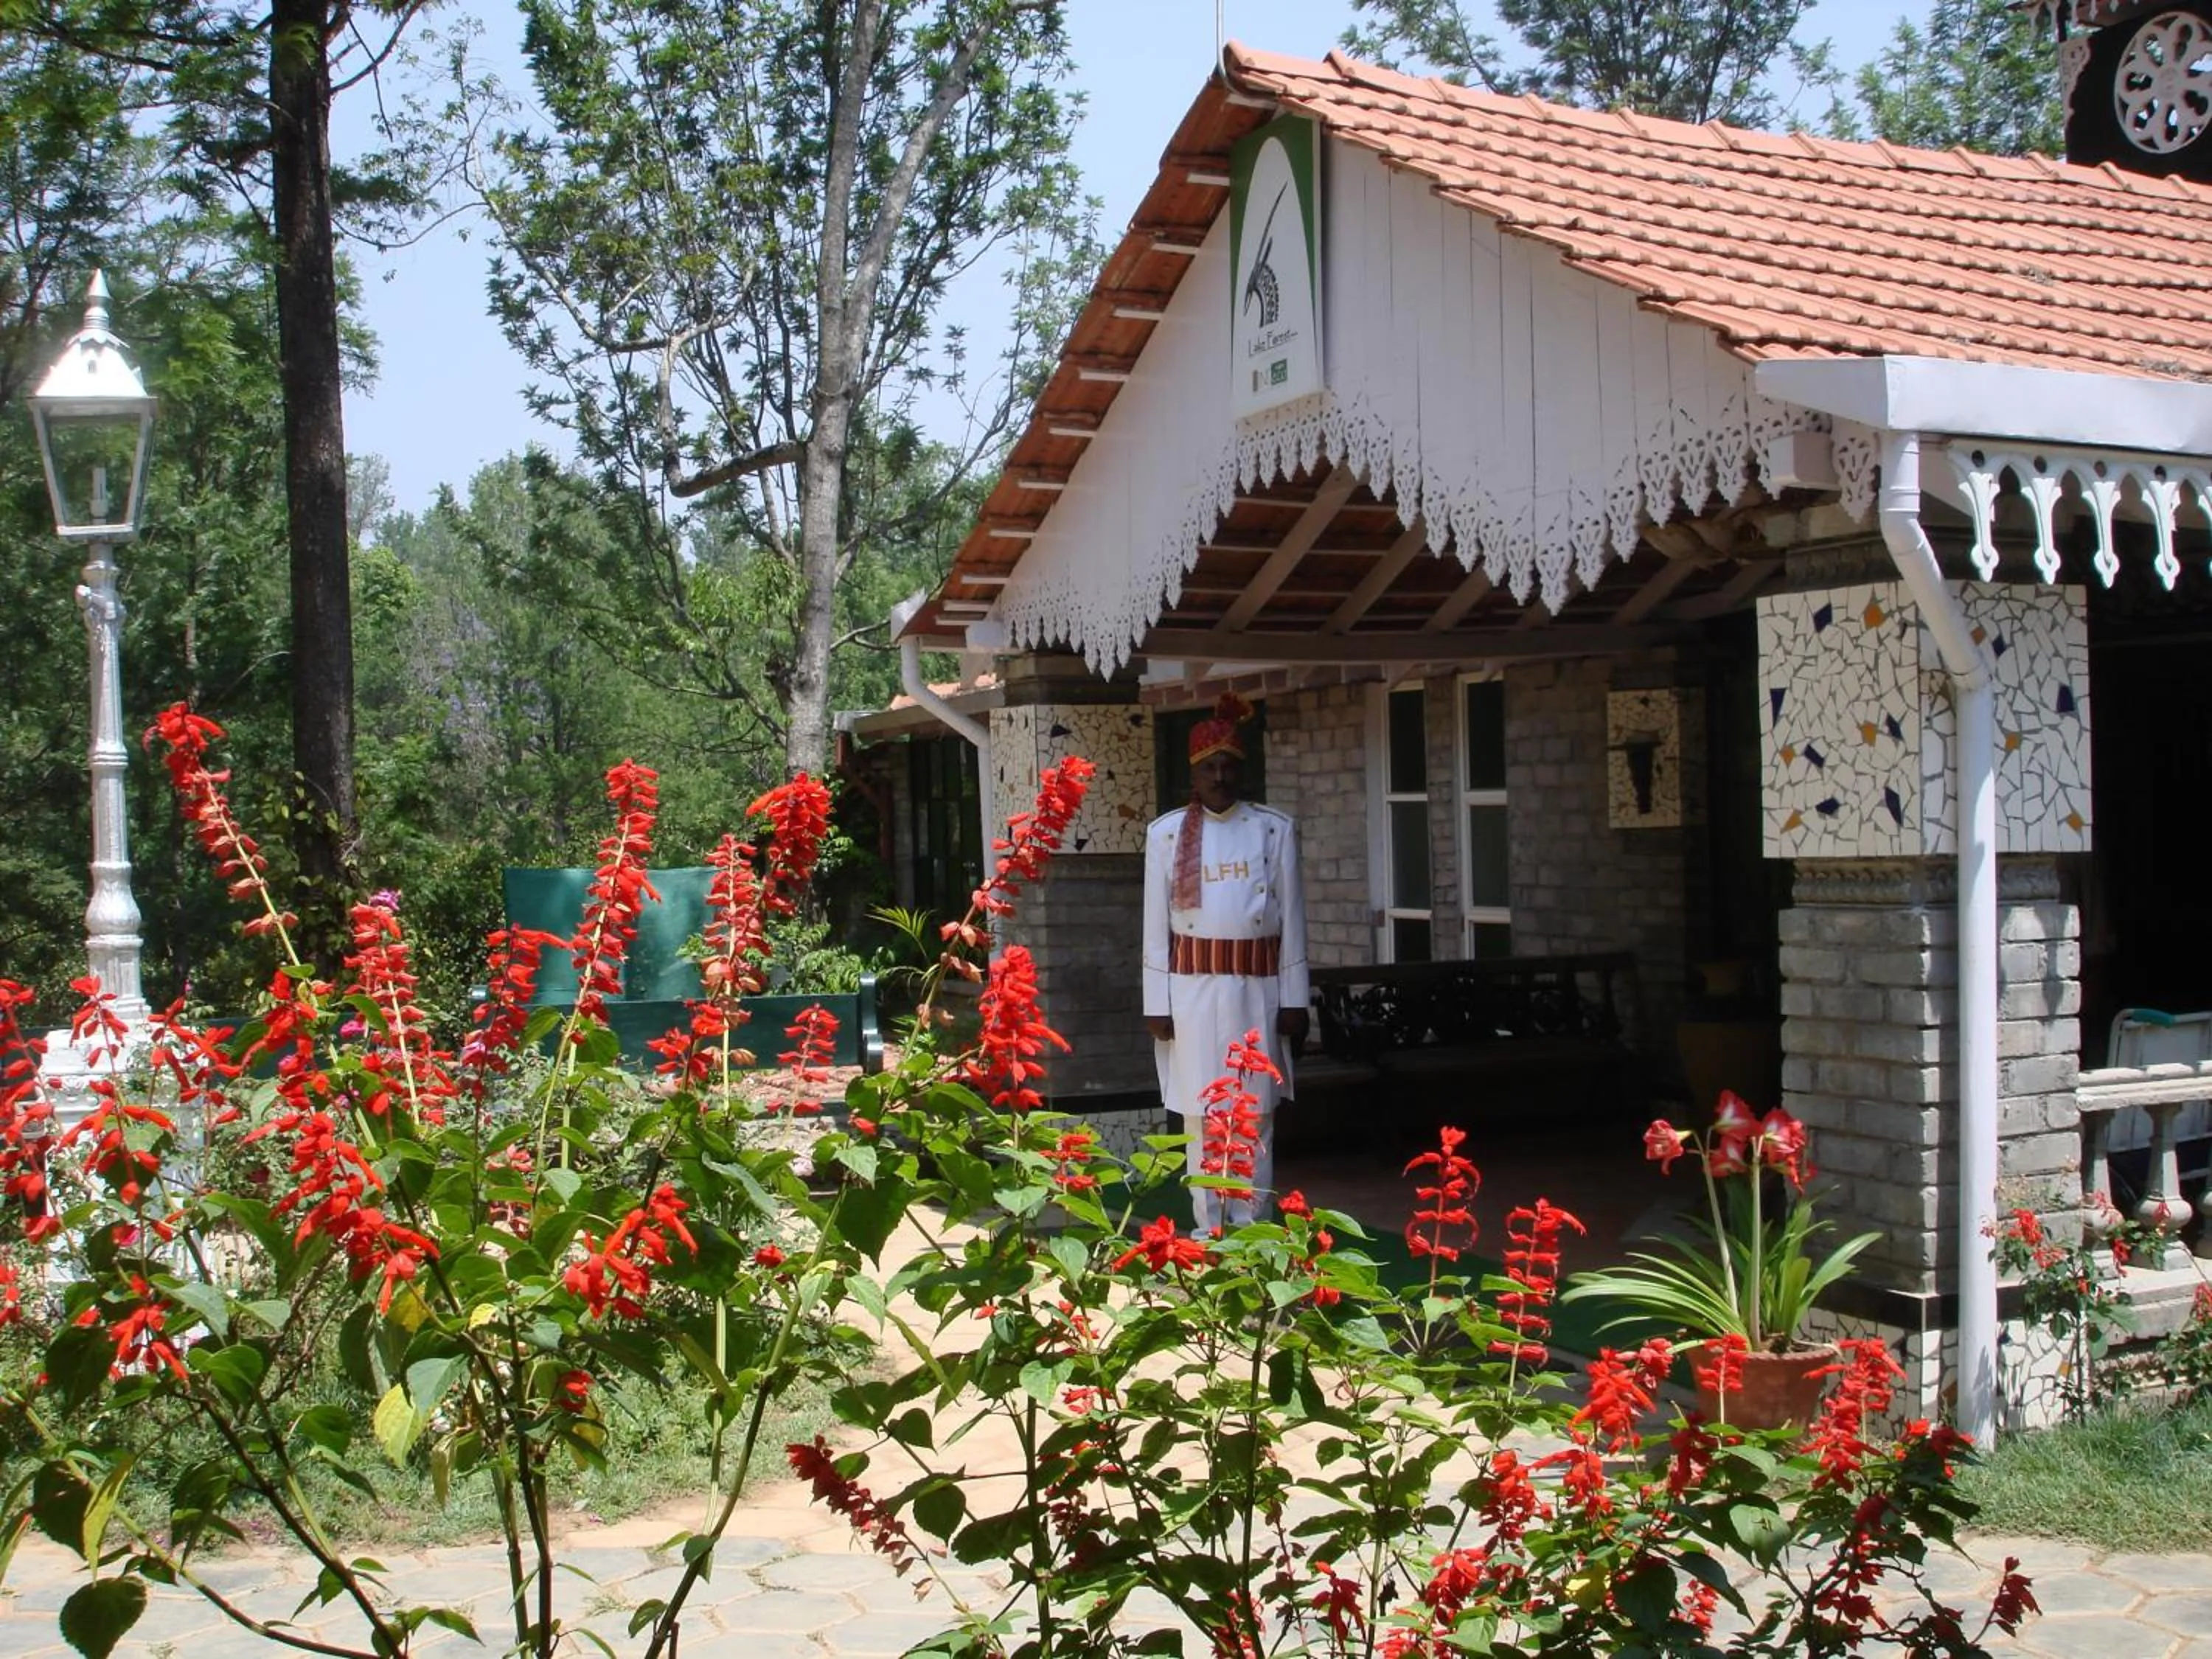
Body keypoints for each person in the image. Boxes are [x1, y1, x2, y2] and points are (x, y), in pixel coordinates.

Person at [1142, 693, 1309, 1234]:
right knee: (1200, 1109)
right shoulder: (1165, 836)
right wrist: (1155, 1003)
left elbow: (1294, 922)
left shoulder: (1273, 830)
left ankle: (1252, 1220)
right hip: (1190, 994)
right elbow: (1154, 928)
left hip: (1256, 991)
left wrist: (1295, 1000)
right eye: (1209, 767)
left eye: (1228, 766)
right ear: (1194, 773)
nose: (1220, 777)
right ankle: (1207, 1223)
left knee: (1255, 1109)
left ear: (1242, 770)